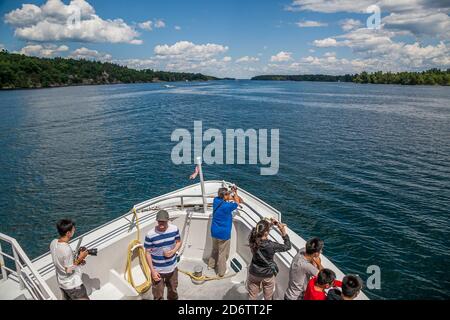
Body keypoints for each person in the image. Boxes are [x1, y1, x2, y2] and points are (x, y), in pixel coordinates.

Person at [246, 218, 291, 300]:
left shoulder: (252, 239)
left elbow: (260, 230)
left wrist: (270, 224)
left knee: (252, 296)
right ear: (266, 232)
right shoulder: (271, 245)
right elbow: (288, 246)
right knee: (268, 297)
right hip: (267, 275)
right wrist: (282, 231)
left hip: (254, 272)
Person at [144, 210, 182, 300]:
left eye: (163, 222)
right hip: (158, 271)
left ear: (168, 220)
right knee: (158, 295)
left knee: (173, 291)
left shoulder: (174, 229)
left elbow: (178, 242)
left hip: (172, 268)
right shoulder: (150, 234)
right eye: (159, 221)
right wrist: (153, 271)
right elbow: (147, 253)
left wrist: (173, 251)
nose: (161, 224)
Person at [50, 219, 90, 300]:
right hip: (73, 285)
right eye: (73, 229)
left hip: (62, 282)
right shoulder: (66, 249)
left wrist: (77, 262)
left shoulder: (53, 242)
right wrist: (80, 258)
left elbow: (63, 263)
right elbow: (68, 271)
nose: (74, 230)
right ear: (68, 233)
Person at [208, 186, 242, 277]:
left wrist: (230, 192)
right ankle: (221, 272)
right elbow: (237, 202)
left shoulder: (216, 200)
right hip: (223, 234)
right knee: (222, 253)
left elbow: (225, 197)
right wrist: (235, 193)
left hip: (214, 231)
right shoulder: (228, 206)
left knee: (215, 249)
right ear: (225, 196)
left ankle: (211, 265)